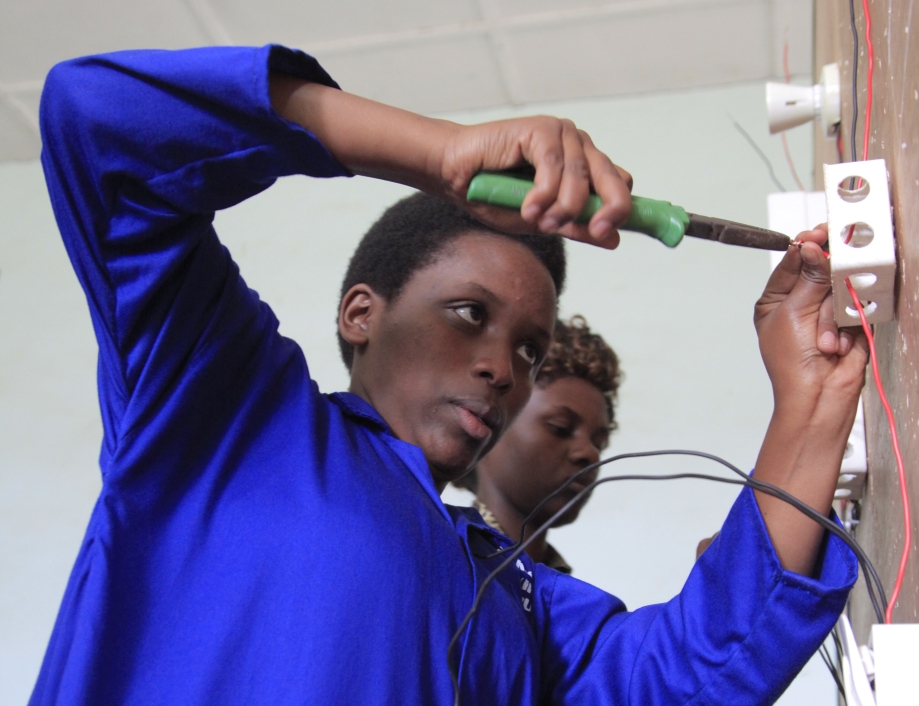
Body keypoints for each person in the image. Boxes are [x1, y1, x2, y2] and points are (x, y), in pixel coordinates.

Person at [32, 43, 867, 705]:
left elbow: (689, 672)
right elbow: (100, 122)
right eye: (469, 313)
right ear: (361, 315)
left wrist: (812, 396)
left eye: (530, 350)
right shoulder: (230, 417)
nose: (503, 368)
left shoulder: (512, 594)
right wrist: (443, 155)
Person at [454, 316, 620, 574]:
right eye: (560, 428)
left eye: (599, 443)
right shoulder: (443, 559)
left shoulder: (565, 590)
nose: (590, 454)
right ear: (489, 424)